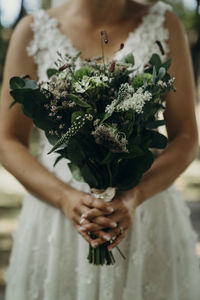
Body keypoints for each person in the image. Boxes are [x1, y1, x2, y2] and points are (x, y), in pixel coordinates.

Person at [0, 0, 200, 299]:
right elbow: (7, 140)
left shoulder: (164, 23)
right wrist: (66, 199)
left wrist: (135, 196)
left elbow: (185, 137)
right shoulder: (32, 31)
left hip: (145, 211)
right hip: (57, 217)